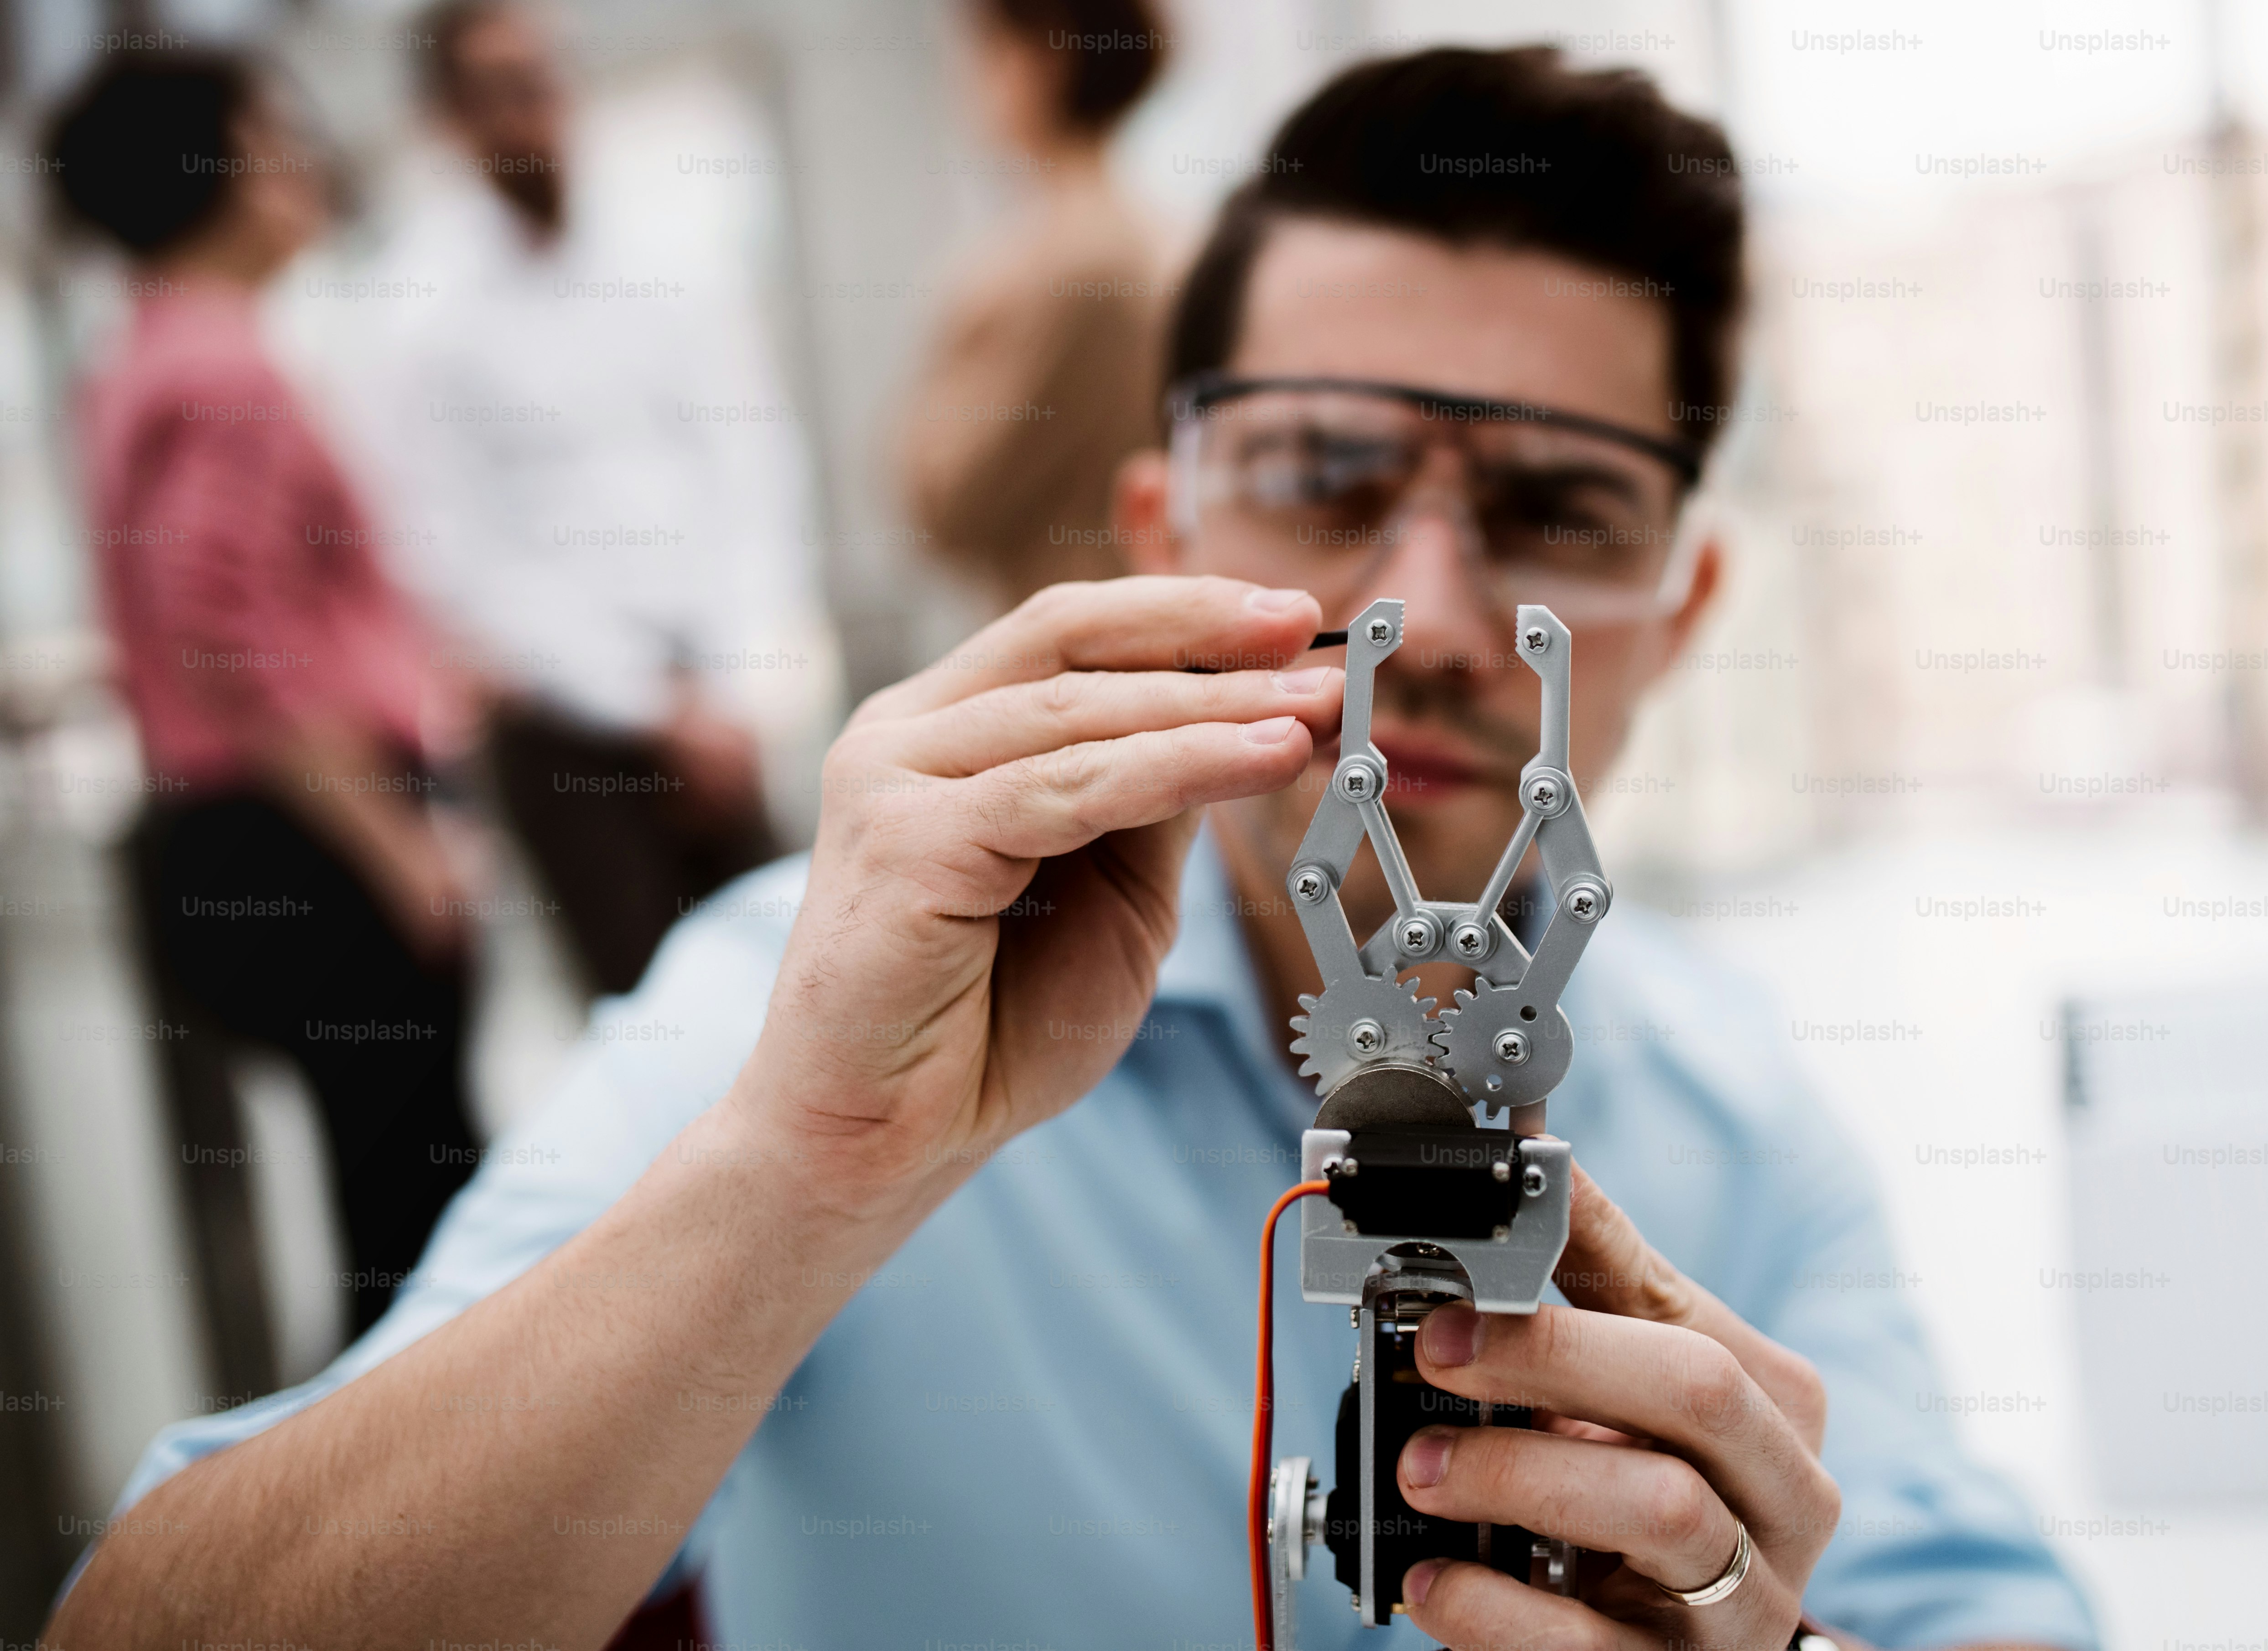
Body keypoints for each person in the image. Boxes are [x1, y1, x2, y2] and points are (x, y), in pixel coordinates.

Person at [51, 49, 2101, 1651]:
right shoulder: (799, 1009)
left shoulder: (1745, 1125)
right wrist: (806, 1171)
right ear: (1158, 535)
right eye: (1323, 476)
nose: (1441, 617)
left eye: (1561, 508)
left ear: (1690, 599)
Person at [44, 53, 479, 1337]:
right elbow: (217, 628)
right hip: (303, 840)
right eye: (271, 140)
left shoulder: (143, 355)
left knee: (396, 1206)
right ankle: (418, 1524)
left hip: (251, 832)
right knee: (419, 1225)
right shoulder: (224, 367)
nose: (301, 164)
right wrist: (396, 841)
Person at [340, 0, 827, 998]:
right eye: (498, 91)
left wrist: (730, 690)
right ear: (446, 118)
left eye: (545, 79)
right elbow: (452, 560)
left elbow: (752, 466)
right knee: (649, 1021)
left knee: (801, 990)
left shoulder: (668, 255)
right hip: (567, 728)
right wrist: (650, 710)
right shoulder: (415, 314)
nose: (532, 113)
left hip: (718, 701)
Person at [901, 0, 1173, 607]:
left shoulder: (1065, 268)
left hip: (1081, 641)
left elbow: (941, 503)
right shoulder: (1164, 239)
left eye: (986, 52)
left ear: (1044, 59)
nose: (964, 79)